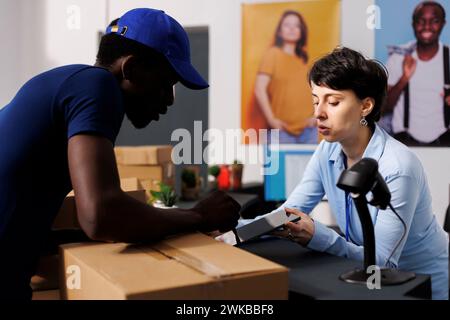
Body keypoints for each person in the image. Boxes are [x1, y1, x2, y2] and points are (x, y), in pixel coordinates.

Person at [0, 8, 240, 300]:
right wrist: (198, 216)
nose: (169, 100)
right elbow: (101, 215)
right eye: (167, 83)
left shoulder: (63, 81)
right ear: (132, 69)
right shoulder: (97, 87)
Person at [271, 47, 448, 300]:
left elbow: (383, 262)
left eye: (332, 102)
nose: (318, 112)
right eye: (315, 100)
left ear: (365, 106)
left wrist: (317, 236)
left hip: (415, 284)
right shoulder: (327, 151)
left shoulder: (398, 167)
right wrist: (232, 231)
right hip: (360, 276)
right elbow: (289, 213)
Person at [382, 1, 450, 146]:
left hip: (445, 141)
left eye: (434, 21)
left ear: (443, 24)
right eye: (421, 21)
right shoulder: (398, 58)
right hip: (404, 142)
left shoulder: (449, 57)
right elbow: (383, 106)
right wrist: (404, 78)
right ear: (413, 24)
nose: (427, 26)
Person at [250, 10, 317, 144]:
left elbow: (317, 92)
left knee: (311, 165)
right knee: (278, 165)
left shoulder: (305, 60)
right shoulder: (272, 54)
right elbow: (259, 89)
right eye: (287, 25)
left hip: (309, 130)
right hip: (281, 132)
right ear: (279, 31)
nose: (292, 28)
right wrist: (271, 119)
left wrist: (316, 117)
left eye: (296, 25)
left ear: (301, 31)